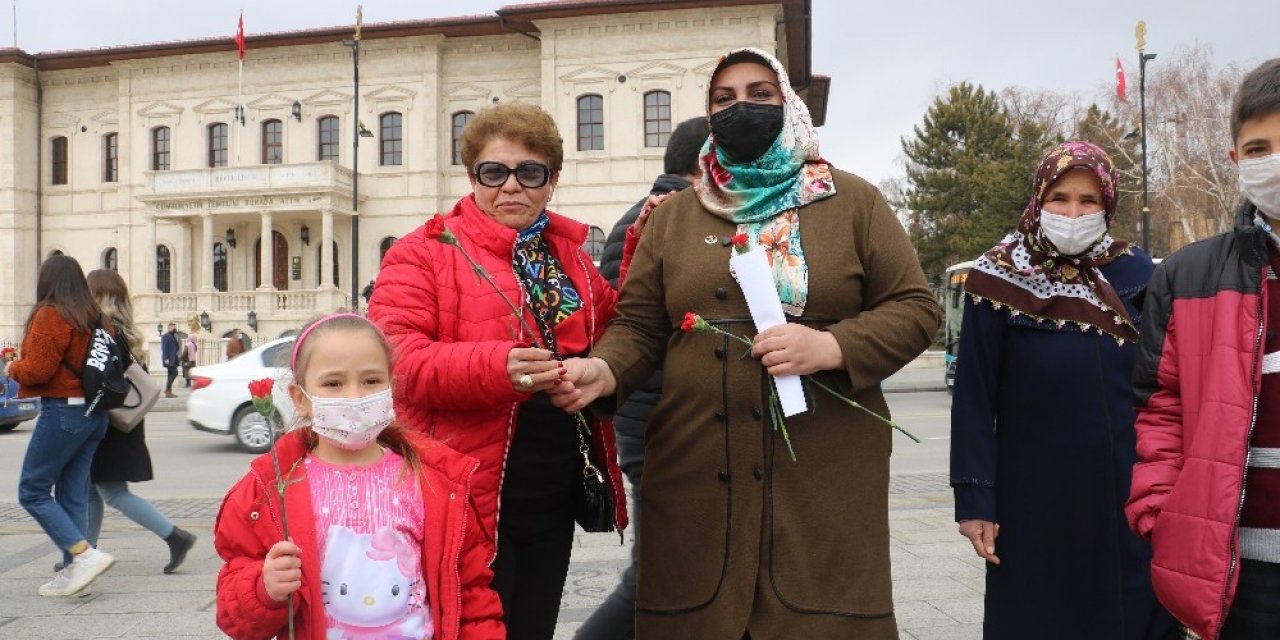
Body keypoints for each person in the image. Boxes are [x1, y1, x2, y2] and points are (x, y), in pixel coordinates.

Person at [552, 48, 941, 639]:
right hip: (696, 470)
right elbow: (638, 326)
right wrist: (604, 370)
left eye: (760, 94)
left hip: (824, 468)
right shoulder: (673, 218)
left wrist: (832, 347)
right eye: (724, 98)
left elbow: (915, 308)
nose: (742, 107)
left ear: (787, 104)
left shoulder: (853, 201)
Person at [369, 102, 627, 640]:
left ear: (551, 182)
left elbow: (621, 330)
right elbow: (396, 360)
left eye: (529, 173)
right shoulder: (425, 252)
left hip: (550, 490)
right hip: (463, 494)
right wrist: (496, 368)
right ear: (473, 177)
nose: (511, 187)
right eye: (494, 172)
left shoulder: (572, 259)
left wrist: (600, 368)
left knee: (533, 627)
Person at [949, 141, 1176, 639]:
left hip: (1126, 491)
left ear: (1108, 205)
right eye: (1060, 198)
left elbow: (1167, 390)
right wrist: (975, 503)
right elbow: (973, 399)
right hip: (1031, 500)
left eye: (1088, 200)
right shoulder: (996, 279)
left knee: (1132, 612)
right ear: (1038, 199)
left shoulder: (1145, 277)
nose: (1073, 213)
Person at [214, 313, 504, 640]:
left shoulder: (431, 482)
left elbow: (472, 594)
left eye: (370, 381)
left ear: (392, 386)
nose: (355, 397)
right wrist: (264, 589)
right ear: (300, 398)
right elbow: (234, 615)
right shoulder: (269, 491)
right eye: (333, 383)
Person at [1126, 58, 1280, 640]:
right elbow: (1161, 405)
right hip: (1241, 575)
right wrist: (1162, 513)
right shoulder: (1187, 275)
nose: (1275, 160)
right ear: (1237, 159)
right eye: (1260, 146)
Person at [574, 115, 708, 640]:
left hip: (656, 422)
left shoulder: (662, 214)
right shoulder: (660, 221)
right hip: (659, 426)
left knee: (674, 572)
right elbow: (634, 332)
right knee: (653, 578)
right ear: (704, 166)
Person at [6, 255, 116, 597]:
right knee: (72, 493)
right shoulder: (97, 317)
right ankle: (75, 571)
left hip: (64, 412)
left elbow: (38, 370)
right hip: (95, 413)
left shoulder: (52, 314)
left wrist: (12, 369)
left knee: (32, 490)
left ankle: (82, 556)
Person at [84, 269, 197, 575]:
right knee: (93, 489)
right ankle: (86, 553)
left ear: (97, 297)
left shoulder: (104, 333)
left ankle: (175, 536)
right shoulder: (124, 331)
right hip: (122, 421)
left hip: (110, 422)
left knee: (111, 492)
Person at [160, 322, 179, 397]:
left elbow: (176, 347)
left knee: (170, 374)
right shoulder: (166, 336)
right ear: (170, 327)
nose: (175, 329)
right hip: (169, 359)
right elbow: (164, 348)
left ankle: (169, 392)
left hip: (173, 358)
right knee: (175, 373)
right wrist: (166, 359)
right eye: (174, 327)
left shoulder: (173, 336)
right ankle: (167, 389)